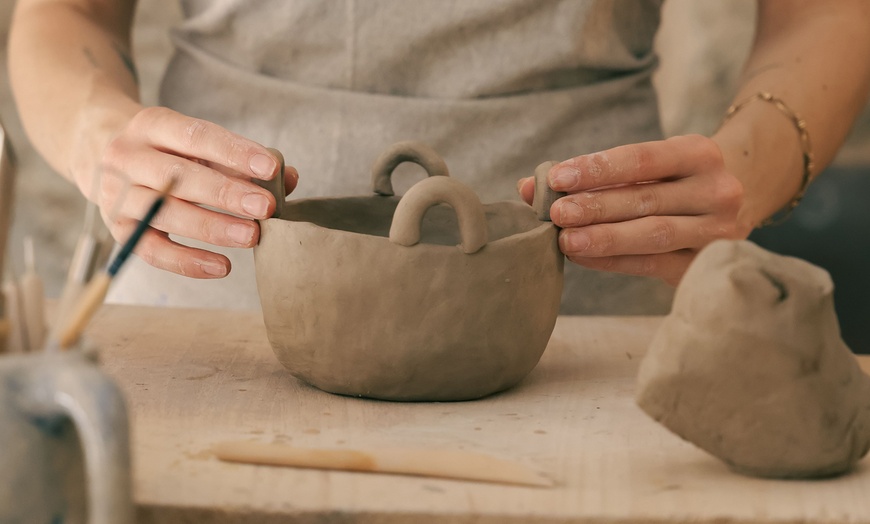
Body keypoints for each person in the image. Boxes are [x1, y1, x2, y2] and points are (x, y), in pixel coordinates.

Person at [8, 0, 870, 312]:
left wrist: (751, 164)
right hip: (213, 293)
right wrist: (97, 137)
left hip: (583, 308)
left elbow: (822, 12)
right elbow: (65, 15)